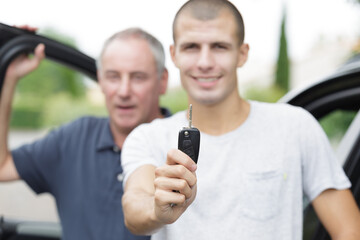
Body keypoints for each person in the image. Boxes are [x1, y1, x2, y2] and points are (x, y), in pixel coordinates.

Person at [121, 0, 360, 239]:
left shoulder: (296, 126)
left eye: (219, 47)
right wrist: (157, 211)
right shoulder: (148, 137)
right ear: (174, 54)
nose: (205, 62)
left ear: (242, 53)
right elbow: (134, 208)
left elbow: (349, 230)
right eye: (192, 47)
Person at [0, 27, 169, 240]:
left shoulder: (185, 151)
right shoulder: (73, 138)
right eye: (113, 76)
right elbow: (2, 166)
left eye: (138, 77)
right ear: (100, 80)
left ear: (162, 81)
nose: (124, 91)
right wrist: (9, 78)